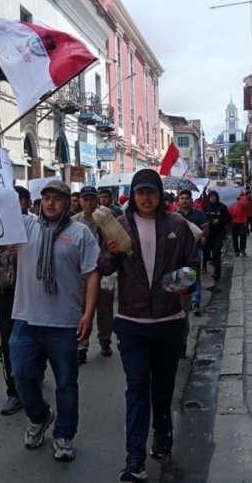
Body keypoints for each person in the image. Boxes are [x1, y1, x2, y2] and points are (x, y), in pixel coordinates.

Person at [99, 169, 198, 482]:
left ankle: (162, 434)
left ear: (159, 194)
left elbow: (192, 265)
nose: (145, 198)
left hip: (169, 322)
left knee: (163, 387)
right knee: (138, 387)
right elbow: (104, 267)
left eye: (150, 192)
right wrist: (112, 253)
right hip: (132, 323)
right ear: (133, 193)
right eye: (140, 192)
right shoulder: (119, 226)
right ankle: (134, 458)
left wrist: (186, 285)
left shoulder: (178, 226)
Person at [10, 179, 100, 462]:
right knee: (21, 374)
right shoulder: (25, 227)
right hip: (26, 320)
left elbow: (92, 274)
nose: (50, 202)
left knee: (66, 383)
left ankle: (63, 435)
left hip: (64, 324)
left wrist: (88, 314)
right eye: (45, 197)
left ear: (66, 202)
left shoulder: (80, 233)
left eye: (57, 198)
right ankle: (39, 416)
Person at [0, 185, 32, 416]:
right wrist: (5, 255)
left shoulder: (36, 226)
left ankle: (32, 379)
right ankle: (13, 392)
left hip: (33, 295)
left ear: (27, 203)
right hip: (7, 293)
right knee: (8, 343)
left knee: (33, 342)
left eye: (17, 201)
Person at [73, 185, 116, 364]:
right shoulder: (74, 221)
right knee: (82, 308)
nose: (89, 202)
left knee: (105, 308)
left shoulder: (105, 218)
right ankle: (82, 346)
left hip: (103, 269)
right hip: (82, 272)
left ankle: (105, 341)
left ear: (97, 199)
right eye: (85, 199)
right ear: (80, 201)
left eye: (92, 198)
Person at [175, 189, 207, 316]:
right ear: (178, 200)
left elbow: (204, 229)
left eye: (187, 198)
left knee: (195, 275)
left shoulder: (198, 214)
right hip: (179, 251)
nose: (184, 201)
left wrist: (203, 237)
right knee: (181, 274)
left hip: (195, 249)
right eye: (182, 198)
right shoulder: (174, 215)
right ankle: (181, 300)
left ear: (192, 200)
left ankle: (195, 301)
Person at [203, 191, 230, 281]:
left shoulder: (222, 207)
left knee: (217, 252)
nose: (213, 198)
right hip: (208, 234)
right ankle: (213, 263)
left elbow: (228, 219)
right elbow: (203, 218)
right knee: (208, 253)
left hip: (218, 233)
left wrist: (220, 221)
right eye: (211, 196)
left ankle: (217, 273)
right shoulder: (206, 206)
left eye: (215, 196)